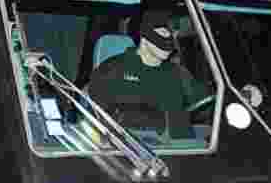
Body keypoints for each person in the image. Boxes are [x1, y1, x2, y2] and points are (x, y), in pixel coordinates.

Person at [85, 10, 212, 140]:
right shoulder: (112, 70)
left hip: (187, 151)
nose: (170, 38)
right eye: (164, 32)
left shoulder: (179, 73)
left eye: (173, 33)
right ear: (145, 36)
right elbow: (95, 119)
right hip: (138, 152)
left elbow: (205, 105)